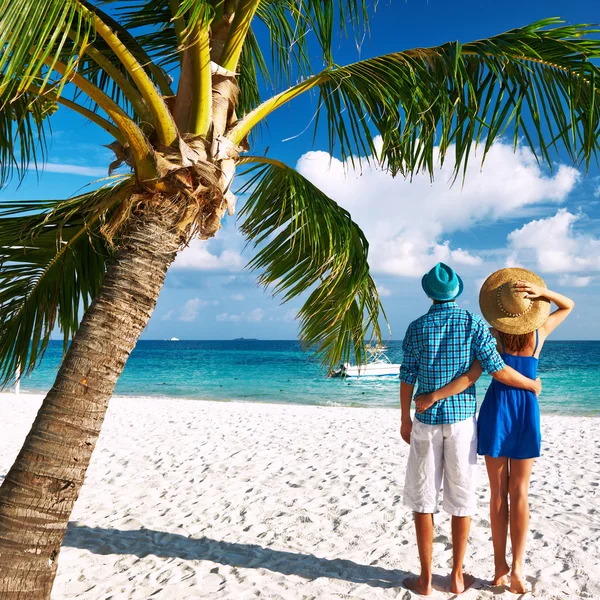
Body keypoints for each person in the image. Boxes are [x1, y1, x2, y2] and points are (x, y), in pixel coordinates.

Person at [416, 268, 573, 593]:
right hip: (526, 411)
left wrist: (434, 394)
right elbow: (567, 305)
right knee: (520, 492)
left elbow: (474, 373)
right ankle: (516, 568)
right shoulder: (538, 334)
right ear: (530, 309)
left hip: (497, 411)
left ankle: (499, 567)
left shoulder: (492, 335)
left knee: (497, 494)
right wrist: (542, 294)